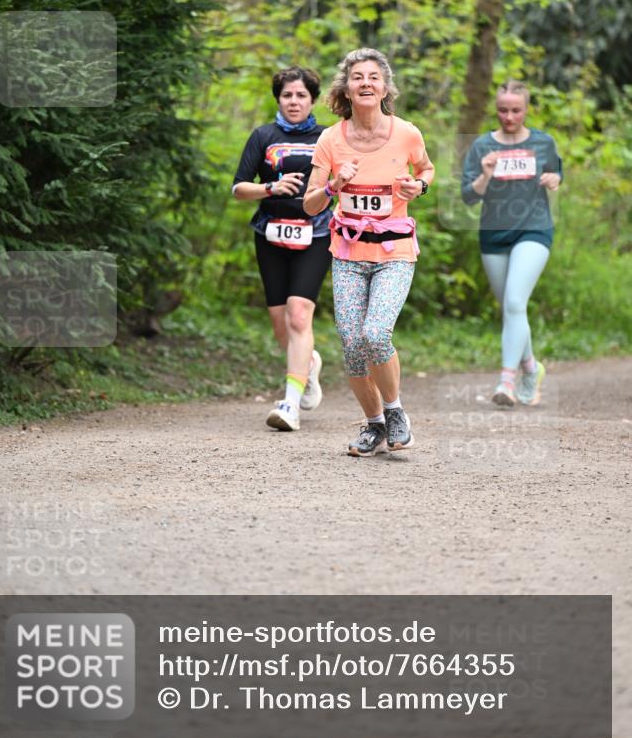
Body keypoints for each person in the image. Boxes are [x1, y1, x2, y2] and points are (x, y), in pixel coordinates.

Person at [304, 48, 435, 457]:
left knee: (375, 334)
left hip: (394, 253)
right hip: (348, 254)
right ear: (346, 88)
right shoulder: (330, 139)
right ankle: (374, 424)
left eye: (373, 77)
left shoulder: (406, 133)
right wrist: (334, 186)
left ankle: (395, 413)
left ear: (384, 88)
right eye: (357, 76)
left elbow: (426, 169)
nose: (365, 83)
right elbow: (310, 204)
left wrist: (419, 186)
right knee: (351, 343)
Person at [232, 66, 332, 432]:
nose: (294, 101)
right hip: (270, 233)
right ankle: (310, 364)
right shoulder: (263, 136)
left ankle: (290, 403)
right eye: (287, 95)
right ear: (278, 98)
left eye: (301, 95)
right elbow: (239, 188)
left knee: (299, 315)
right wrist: (270, 188)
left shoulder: (328, 137)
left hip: (317, 234)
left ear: (312, 100)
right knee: (280, 325)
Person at [461, 79, 563, 406]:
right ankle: (531, 368)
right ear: (496, 109)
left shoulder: (543, 142)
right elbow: (468, 196)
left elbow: (556, 172)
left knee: (516, 302)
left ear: (526, 109)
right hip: (494, 234)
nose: (509, 117)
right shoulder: (482, 146)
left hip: (534, 229)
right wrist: (485, 175)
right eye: (503, 110)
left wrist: (554, 178)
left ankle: (506, 380)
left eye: (516, 110)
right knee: (510, 308)